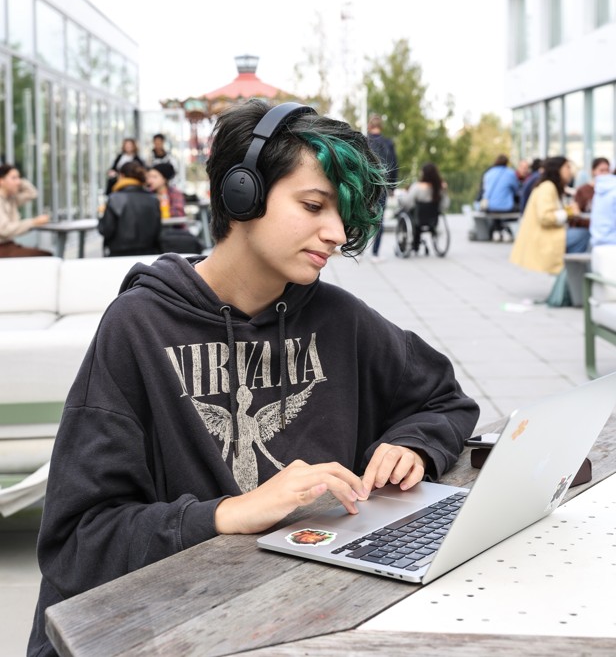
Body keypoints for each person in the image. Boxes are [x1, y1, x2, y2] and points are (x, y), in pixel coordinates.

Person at [28, 99, 479, 656]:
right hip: (176, 629)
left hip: (312, 615)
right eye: (313, 205)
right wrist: (225, 514)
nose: (337, 232)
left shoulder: (340, 318)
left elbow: (445, 400)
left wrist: (413, 443)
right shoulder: (137, 328)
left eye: (340, 213)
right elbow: (78, 541)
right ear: (243, 193)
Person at [510, 155, 591, 276]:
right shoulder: (548, 187)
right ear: (557, 169)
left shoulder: (549, 186)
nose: (570, 171)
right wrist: (570, 212)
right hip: (544, 238)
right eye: (567, 167)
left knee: (581, 235)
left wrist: (568, 210)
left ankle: (569, 275)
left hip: (543, 235)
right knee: (583, 235)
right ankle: (570, 275)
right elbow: (545, 217)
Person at [98, 161, 162, 256]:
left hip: (119, 255)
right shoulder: (153, 199)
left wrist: (100, 216)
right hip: (148, 254)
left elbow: (106, 230)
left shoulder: (114, 199)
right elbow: (158, 230)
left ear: (122, 175)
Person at [0, 164, 51, 257]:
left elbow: (32, 193)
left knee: (45, 255)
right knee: (45, 256)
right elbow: (4, 230)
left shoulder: (11, 198)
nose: (18, 182)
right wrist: (33, 222)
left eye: (19, 178)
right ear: (1, 181)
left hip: (9, 245)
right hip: (2, 248)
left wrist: (19, 182)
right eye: (14, 178)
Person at [398, 161, 450, 253]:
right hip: (433, 219)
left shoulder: (417, 187)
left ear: (423, 173)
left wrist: (401, 198)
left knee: (404, 212)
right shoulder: (439, 188)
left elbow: (408, 203)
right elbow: (445, 205)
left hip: (417, 218)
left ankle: (407, 243)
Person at [366, 113, 398, 261]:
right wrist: (393, 187)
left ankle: (359, 250)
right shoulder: (388, 143)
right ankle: (375, 253)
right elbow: (394, 165)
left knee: (363, 216)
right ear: (381, 127)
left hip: (366, 185)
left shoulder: (364, 142)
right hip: (382, 186)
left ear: (369, 126)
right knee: (379, 220)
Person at [478, 154, 520, 241]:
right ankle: (504, 229)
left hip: (489, 206)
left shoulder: (488, 173)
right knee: (518, 208)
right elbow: (516, 189)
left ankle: (497, 230)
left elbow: (484, 189)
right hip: (506, 207)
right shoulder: (510, 173)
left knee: (496, 209)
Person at [573, 156, 611, 223]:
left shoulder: (612, 190)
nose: (605, 174)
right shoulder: (582, 190)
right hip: (587, 225)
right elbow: (576, 213)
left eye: (607, 170)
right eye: (601, 170)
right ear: (593, 171)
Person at [589, 167, 616, 248]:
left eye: (607, 170)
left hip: (598, 244)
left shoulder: (601, 188)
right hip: (612, 244)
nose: (604, 173)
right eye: (601, 170)